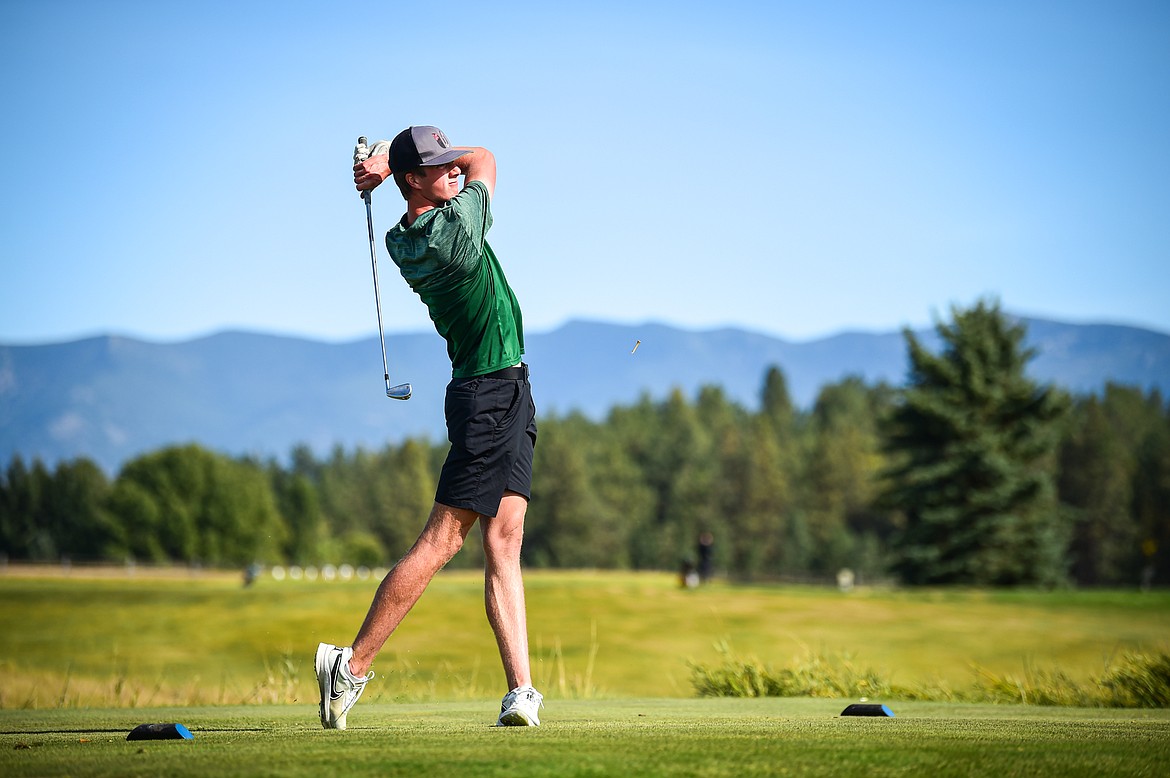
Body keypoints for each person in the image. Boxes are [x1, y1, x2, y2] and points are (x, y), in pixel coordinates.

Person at [315, 125, 541, 729]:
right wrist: (391, 162)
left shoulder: (401, 238)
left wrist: (392, 166)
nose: (456, 172)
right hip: (488, 392)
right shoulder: (456, 229)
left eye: (451, 165)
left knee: (506, 536)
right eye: (440, 168)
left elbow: (457, 169)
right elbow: (488, 155)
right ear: (414, 180)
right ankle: (352, 666)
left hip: (503, 388)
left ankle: (521, 692)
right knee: (444, 539)